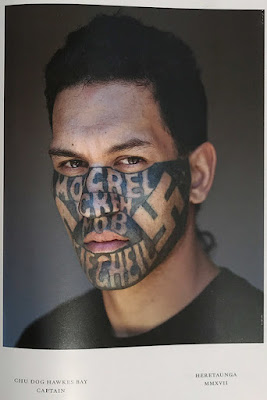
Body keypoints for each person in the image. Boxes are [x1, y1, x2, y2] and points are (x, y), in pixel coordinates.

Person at [16, 14, 263, 349]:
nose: (94, 204)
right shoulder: (41, 347)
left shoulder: (255, 337)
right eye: (73, 163)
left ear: (198, 175)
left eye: (130, 161)